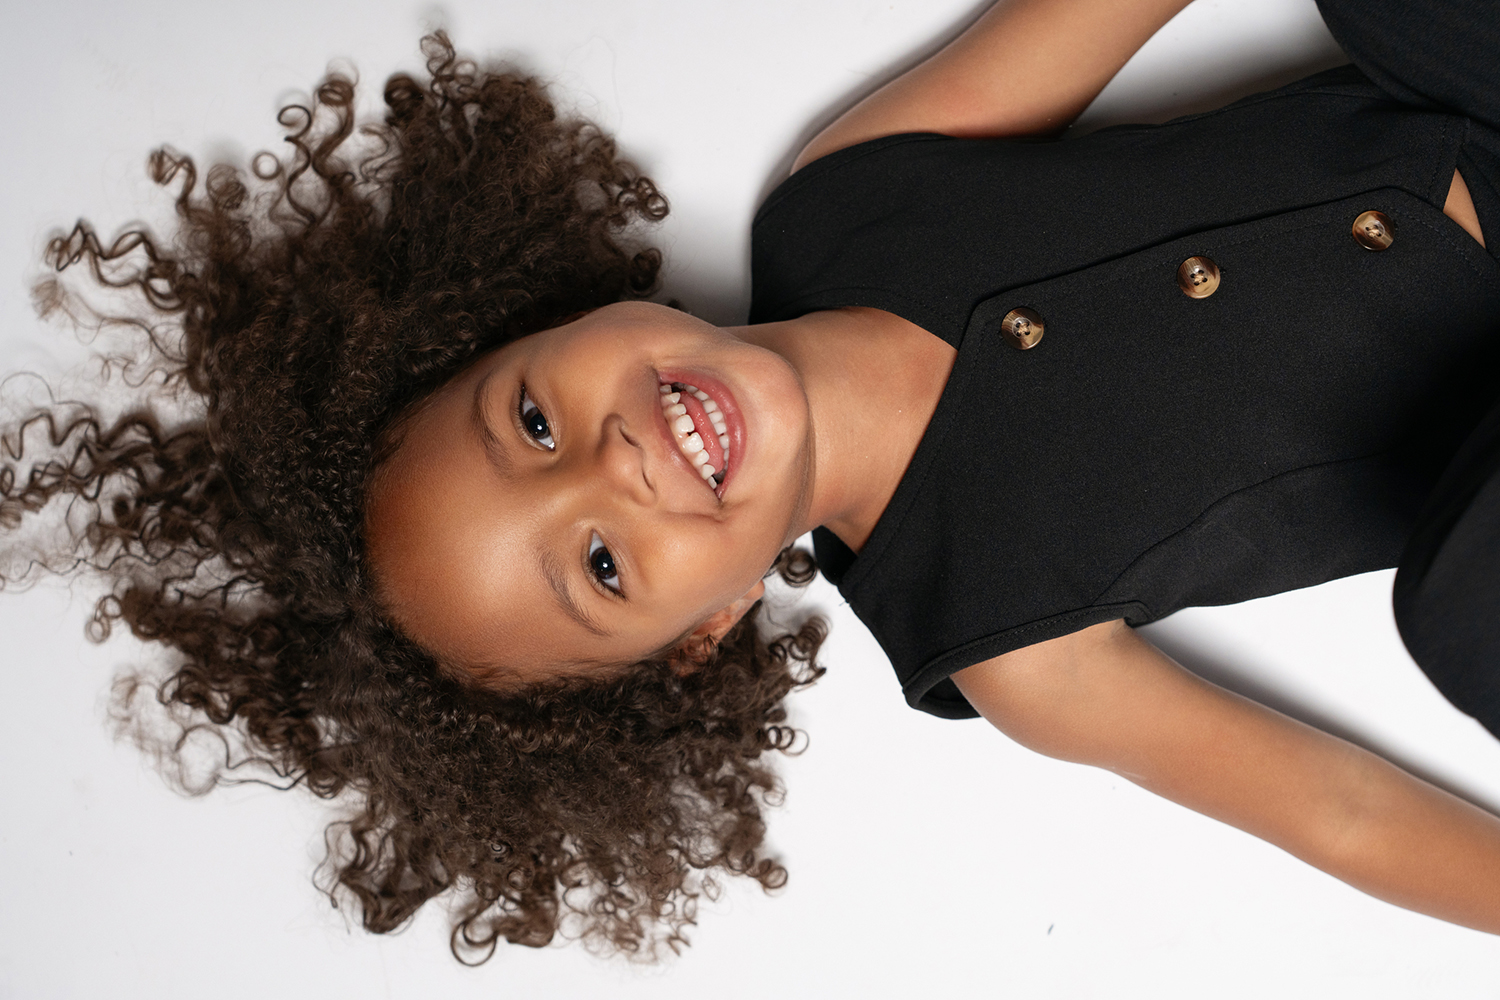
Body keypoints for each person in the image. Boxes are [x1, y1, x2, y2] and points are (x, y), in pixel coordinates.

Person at [3, 0, 1498, 965]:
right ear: (701, 634)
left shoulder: (850, 198)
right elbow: (1340, 813)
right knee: (1457, 614)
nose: (617, 466)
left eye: (532, 419)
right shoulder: (1006, 643)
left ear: (537, 318)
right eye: (601, 567)